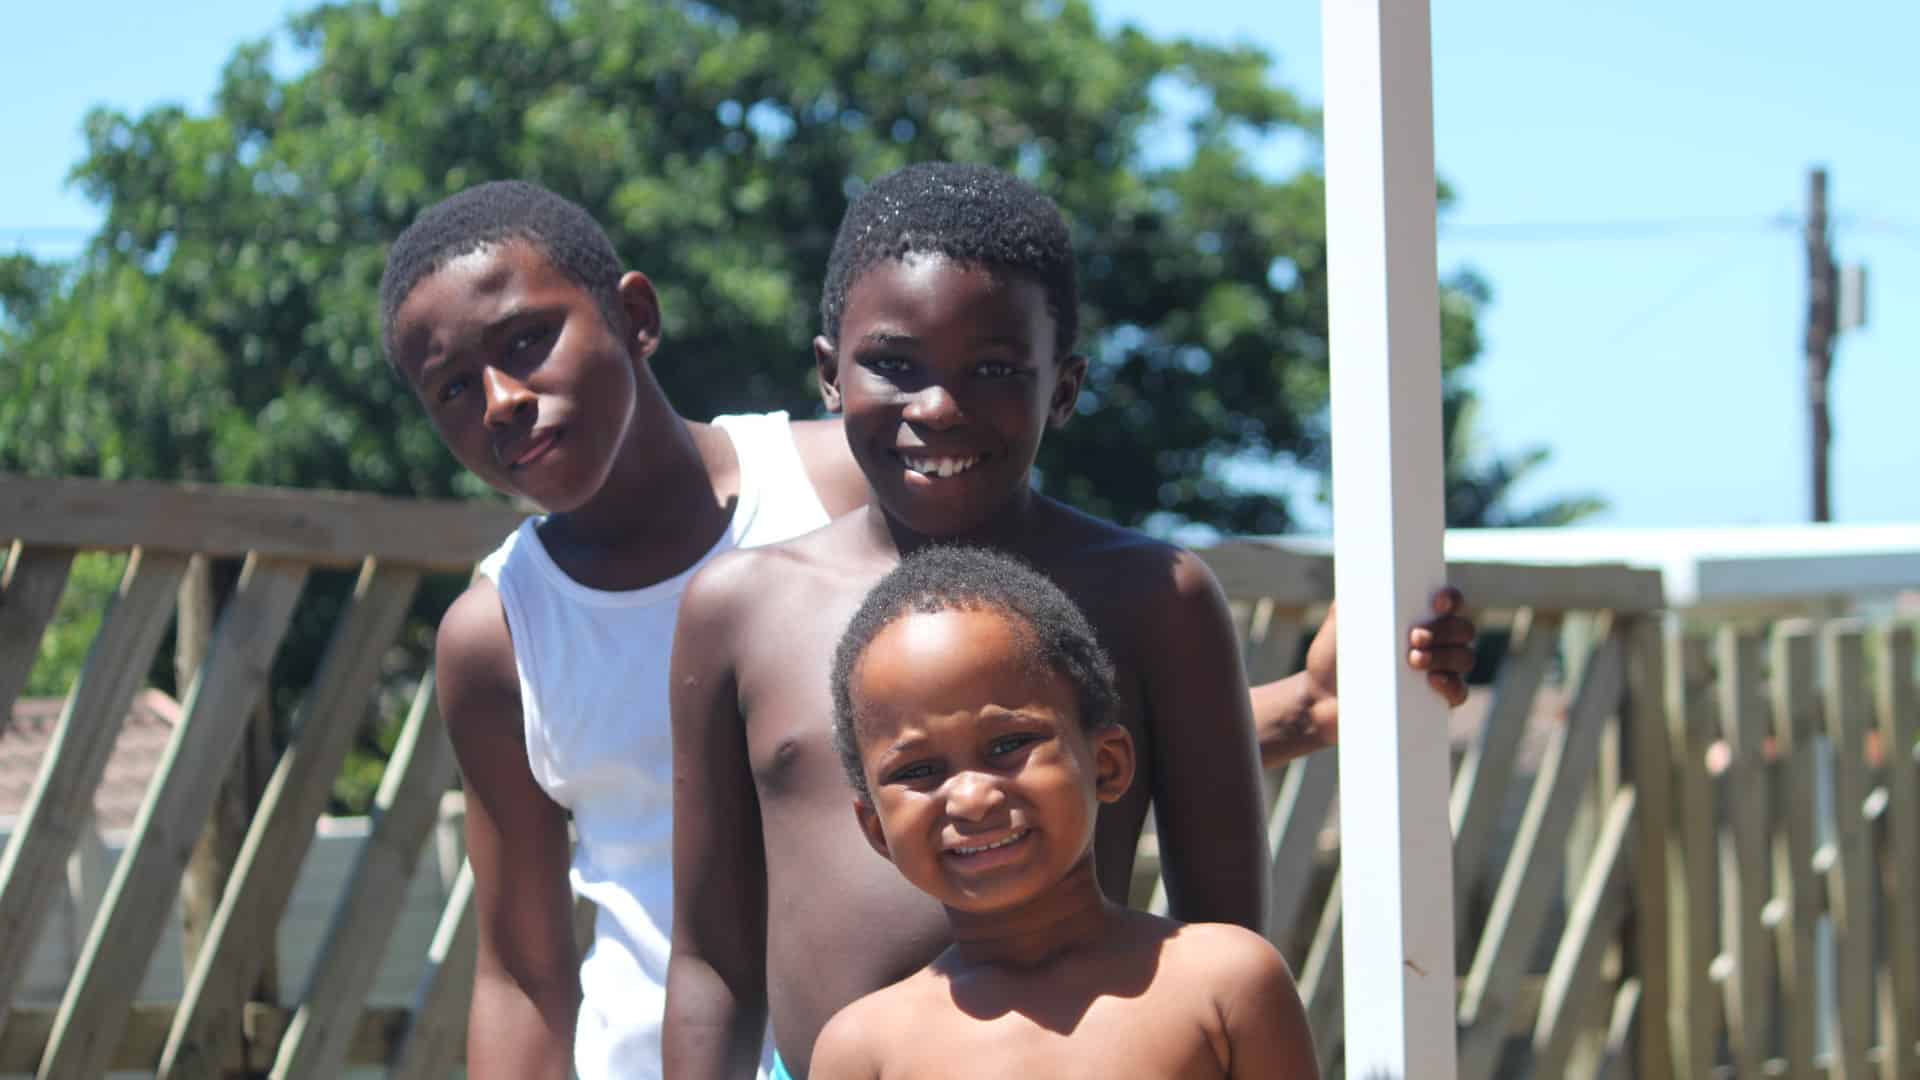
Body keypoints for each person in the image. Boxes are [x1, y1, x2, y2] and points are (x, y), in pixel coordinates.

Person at [663, 162, 1470, 1079]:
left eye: (995, 369)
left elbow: (1222, 927)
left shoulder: (1152, 594)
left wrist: (1366, 679)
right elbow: (710, 960)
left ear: (1067, 387)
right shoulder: (740, 608)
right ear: (829, 374)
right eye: (894, 364)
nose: (938, 406)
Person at [380, 180, 870, 1079]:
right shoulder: (500, 634)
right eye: (451, 387)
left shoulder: (844, 488)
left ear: (635, 315)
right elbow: (522, 976)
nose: (498, 399)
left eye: (528, 340)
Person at [808, 545, 1319, 1080]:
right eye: (916, 771)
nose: (971, 798)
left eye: (1010, 744)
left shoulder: (1226, 983)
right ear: (877, 830)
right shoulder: (864, 1050)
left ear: (1106, 764)